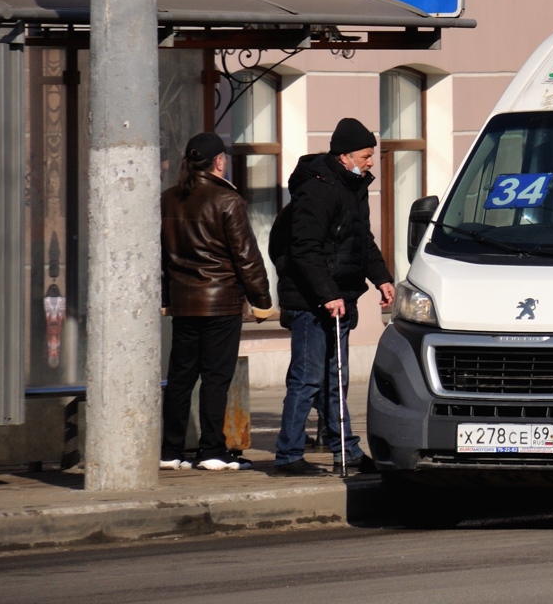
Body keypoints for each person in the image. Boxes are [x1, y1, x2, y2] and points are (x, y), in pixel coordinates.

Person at [272, 118, 395, 476]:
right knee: (307, 378)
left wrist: (382, 278)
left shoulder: (353, 187)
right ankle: (289, 454)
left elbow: (361, 241)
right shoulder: (318, 189)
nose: (371, 161)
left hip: (340, 298)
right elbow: (304, 250)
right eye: (365, 155)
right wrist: (327, 294)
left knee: (335, 378)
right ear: (345, 156)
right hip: (310, 301)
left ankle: (347, 450)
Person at [160, 132, 274, 471]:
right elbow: (247, 257)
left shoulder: (168, 199)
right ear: (219, 162)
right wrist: (262, 301)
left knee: (180, 377)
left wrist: (168, 298)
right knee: (215, 377)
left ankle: (171, 451)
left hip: (183, 304)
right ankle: (211, 449)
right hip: (220, 302)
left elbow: (165, 256)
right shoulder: (227, 201)